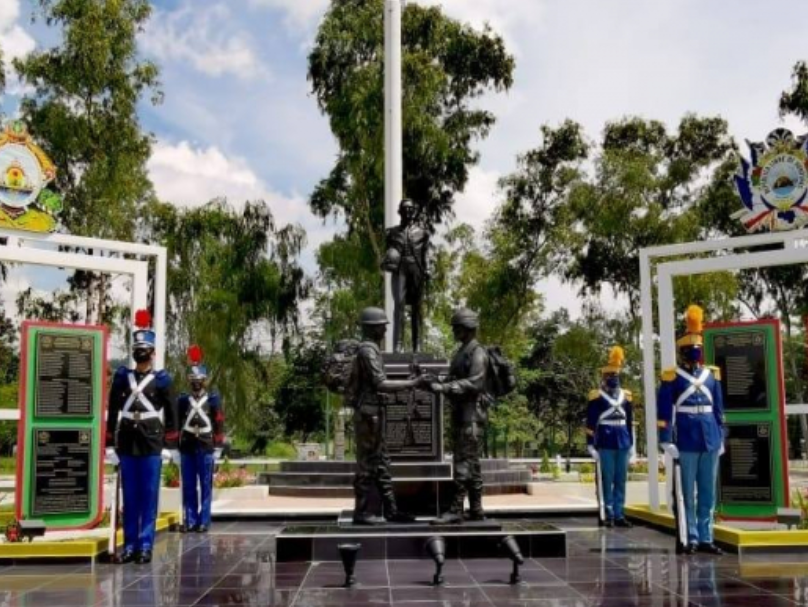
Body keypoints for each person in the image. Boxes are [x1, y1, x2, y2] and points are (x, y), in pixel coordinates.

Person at [105, 310, 179, 564]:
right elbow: (113, 411)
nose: (141, 353)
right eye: (138, 349)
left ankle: (145, 545)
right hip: (127, 442)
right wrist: (109, 444)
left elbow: (172, 413)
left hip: (151, 443)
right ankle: (129, 545)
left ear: (152, 352)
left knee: (148, 496)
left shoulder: (162, 380)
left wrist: (169, 445)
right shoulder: (122, 377)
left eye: (145, 350)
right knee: (130, 496)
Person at [658, 304, 725, 555]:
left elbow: (718, 410)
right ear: (683, 351)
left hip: (710, 439)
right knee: (687, 492)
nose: (696, 353)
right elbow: (664, 410)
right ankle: (691, 536)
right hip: (685, 439)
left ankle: (707, 537)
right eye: (691, 349)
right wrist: (665, 439)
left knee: (707, 492)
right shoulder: (672, 377)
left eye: (698, 348)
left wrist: (721, 437)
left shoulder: (712, 375)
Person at [350, 307, 425, 525]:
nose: (384, 330)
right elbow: (380, 383)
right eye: (382, 326)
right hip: (368, 415)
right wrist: (412, 383)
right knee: (367, 464)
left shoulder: (372, 350)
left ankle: (391, 511)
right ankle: (361, 512)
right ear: (373, 328)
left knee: (382, 463)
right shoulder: (367, 352)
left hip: (375, 413)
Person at [430, 308, 489, 524]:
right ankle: (476, 509)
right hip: (462, 414)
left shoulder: (477, 353)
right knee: (472, 464)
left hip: (470, 417)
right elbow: (454, 377)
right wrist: (435, 381)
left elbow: (476, 382)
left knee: (463, 463)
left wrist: (445, 387)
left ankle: (456, 509)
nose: (454, 331)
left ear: (467, 328)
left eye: (457, 327)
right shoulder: (463, 351)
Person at [178, 345, 225, 533]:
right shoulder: (183, 400)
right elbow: (177, 421)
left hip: (205, 445)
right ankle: (191, 519)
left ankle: (204, 520)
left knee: (205, 485)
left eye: (199, 380)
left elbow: (218, 421)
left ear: (204, 380)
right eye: (193, 380)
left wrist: (218, 445)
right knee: (189, 485)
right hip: (187, 445)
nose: (196, 383)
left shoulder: (213, 399)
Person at [586, 346, 635, 528]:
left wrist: (632, 445)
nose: (613, 378)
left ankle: (619, 513)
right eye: (610, 375)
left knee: (620, 479)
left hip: (623, 440)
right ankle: (607, 512)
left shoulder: (626, 396)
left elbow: (629, 421)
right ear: (604, 377)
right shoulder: (596, 397)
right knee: (606, 479)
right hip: (605, 441)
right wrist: (590, 445)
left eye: (616, 375)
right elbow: (591, 423)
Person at [382, 198, 430, 353]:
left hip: (416, 269)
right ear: (400, 212)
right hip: (400, 269)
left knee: (417, 307)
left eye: (411, 209)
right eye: (405, 209)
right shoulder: (391, 233)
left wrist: (427, 269)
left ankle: (417, 344)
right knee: (399, 305)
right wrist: (386, 262)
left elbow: (425, 254)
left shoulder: (423, 232)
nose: (408, 212)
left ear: (414, 212)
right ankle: (398, 344)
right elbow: (387, 254)